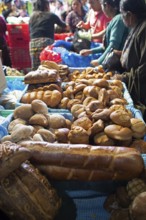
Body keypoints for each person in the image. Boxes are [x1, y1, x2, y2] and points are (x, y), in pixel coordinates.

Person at [112, 0, 146, 121]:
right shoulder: (137, 26)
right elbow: (137, 54)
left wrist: (123, 77)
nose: (121, 17)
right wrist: (121, 54)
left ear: (130, 15)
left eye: (122, 13)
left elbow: (144, 69)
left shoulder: (143, 30)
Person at [80, 0, 129, 68]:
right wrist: (90, 51)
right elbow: (107, 46)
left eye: (102, 5)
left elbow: (113, 46)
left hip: (119, 65)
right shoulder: (115, 20)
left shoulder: (118, 20)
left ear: (107, 6)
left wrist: (99, 61)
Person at [29, 0, 67, 70]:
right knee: (49, 68)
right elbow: (64, 26)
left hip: (33, 43)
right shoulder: (51, 15)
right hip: (46, 42)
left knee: (36, 68)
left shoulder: (32, 16)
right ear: (47, 6)